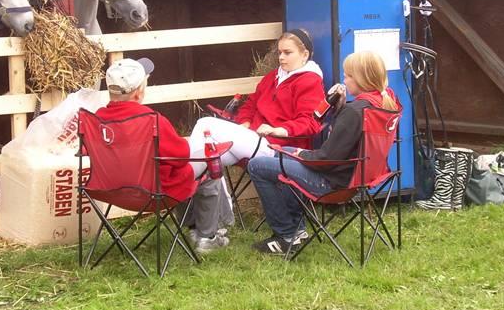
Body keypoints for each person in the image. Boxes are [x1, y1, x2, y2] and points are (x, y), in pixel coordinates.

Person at [247, 51, 402, 255]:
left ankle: (285, 235)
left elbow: (326, 159)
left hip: (332, 183)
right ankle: (297, 230)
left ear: (361, 79)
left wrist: (302, 154)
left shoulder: (354, 111)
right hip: (362, 177)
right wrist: (339, 110)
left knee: (257, 165)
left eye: (348, 75)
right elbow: (350, 142)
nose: (344, 80)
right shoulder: (385, 102)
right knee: (281, 152)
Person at [96, 57, 229, 253]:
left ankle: (194, 227)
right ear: (139, 91)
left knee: (181, 167)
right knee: (209, 162)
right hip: (153, 192)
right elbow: (181, 156)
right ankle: (206, 237)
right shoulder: (151, 120)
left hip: (109, 189)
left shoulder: (96, 119)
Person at [188, 29, 325, 167]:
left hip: (278, 147)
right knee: (207, 157)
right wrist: (245, 121)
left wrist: (279, 130)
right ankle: (196, 185)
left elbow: (311, 122)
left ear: (305, 55)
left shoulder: (310, 81)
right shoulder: (273, 76)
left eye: (287, 53)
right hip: (253, 138)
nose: (281, 57)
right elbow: (250, 104)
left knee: (204, 124)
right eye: (279, 52)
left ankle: (182, 180)